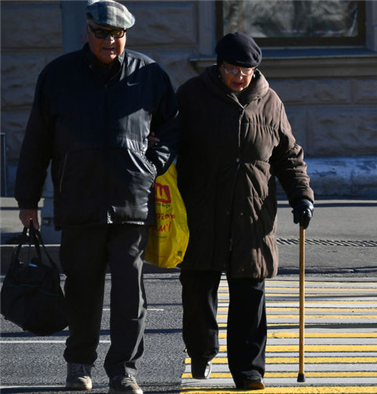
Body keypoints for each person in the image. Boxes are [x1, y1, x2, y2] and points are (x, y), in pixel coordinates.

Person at [14, 1, 181, 393]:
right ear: (86, 32)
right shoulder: (58, 76)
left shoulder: (149, 74)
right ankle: (79, 366)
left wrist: (151, 162)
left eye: (118, 35)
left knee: (129, 296)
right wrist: (28, 200)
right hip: (78, 202)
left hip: (131, 204)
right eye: (103, 34)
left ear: (127, 36)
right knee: (82, 293)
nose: (111, 41)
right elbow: (36, 142)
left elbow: (172, 127)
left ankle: (124, 370)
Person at [175, 32, 314, 390]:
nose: (239, 76)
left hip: (252, 216)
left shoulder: (270, 103)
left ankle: (249, 370)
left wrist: (302, 196)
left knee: (250, 296)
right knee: (197, 291)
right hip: (201, 213)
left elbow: (288, 156)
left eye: (246, 70)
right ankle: (202, 350)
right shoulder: (192, 95)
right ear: (219, 66)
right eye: (233, 69)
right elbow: (168, 141)